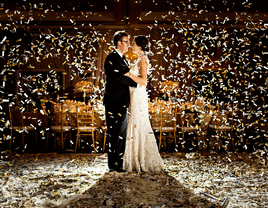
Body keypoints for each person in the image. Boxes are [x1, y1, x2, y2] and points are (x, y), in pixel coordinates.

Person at [123, 35, 164, 172]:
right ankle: (135, 158)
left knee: (138, 123)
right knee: (135, 123)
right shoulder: (140, 59)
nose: (131, 46)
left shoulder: (143, 60)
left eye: (133, 43)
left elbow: (144, 81)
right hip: (135, 95)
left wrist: (129, 75)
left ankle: (141, 159)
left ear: (140, 45)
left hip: (139, 96)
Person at [103, 31, 137, 172]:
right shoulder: (110, 58)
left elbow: (124, 75)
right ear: (119, 43)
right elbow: (116, 78)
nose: (128, 45)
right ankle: (113, 165)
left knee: (122, 134)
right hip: (113, 101)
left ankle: (120, 162)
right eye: (126, 42)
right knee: (114, 133)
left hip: (123, 101)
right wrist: (135, 82)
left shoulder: (123, 59)